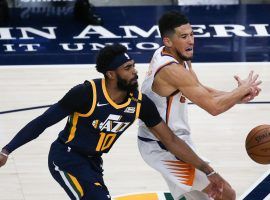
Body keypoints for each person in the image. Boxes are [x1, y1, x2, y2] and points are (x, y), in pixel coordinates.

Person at [0, 44, 226, 199]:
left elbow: (171, 141)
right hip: (66, 158)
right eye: (127, 69)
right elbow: (42, 122)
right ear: (111, 74)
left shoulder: (139, 103)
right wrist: (7, 150)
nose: (135, 72)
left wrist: (208, 171)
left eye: (134, 66)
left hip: (93, 163)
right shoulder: (86, 93)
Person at [137, 11, 261, 200]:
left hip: (173, 141)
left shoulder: (175, 57)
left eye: (192, 34)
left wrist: (237, 95)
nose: (191, 41)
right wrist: (238, 92)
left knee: (201, 198)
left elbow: (199, 89)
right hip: (163, 145)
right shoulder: (171, 70)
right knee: (225, 194)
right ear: (168, 41)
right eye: (184, 36)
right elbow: (213, 108)